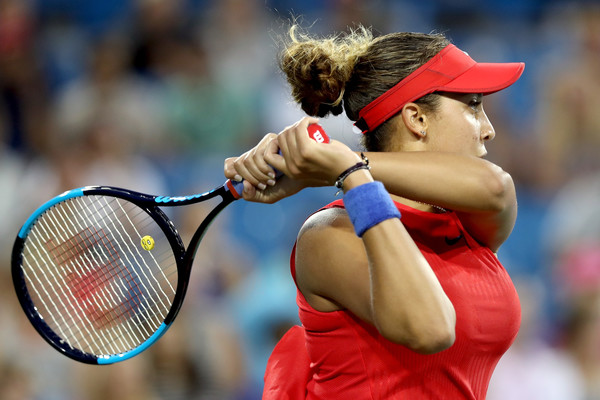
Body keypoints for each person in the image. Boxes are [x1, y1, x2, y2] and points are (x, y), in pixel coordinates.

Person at [224, 25, 525, 399]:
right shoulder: (330, 235)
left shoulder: (465, 218)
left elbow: (496, 186)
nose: (488, 129)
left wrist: (344, 164)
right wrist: (351, 175)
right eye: (474, 105)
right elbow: (430, 330)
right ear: (417, 119)